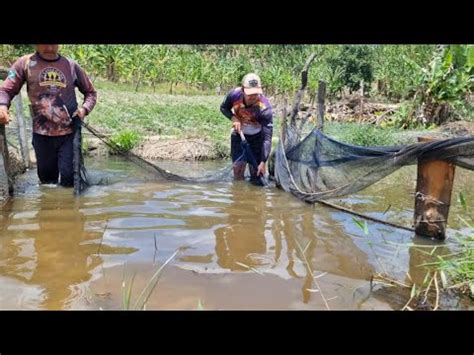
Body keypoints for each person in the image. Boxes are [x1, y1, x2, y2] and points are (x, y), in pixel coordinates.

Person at [0, 44, 97, 187]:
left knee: (69, 179)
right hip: (42, 134)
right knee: (47, 181)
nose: (50, 48)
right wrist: (2, 106)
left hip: (69, 133)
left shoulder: (71, 66)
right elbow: (6, 90)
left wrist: (84, 110)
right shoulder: (25, 64)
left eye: (54, 43)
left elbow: (91, 93)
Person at [220, 73, 273, 181]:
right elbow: (223, 108)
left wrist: (263, 162)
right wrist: (234, 118)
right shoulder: (234, 94)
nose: (253, 97)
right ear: (243, 89)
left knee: (257, 173)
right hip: (238, 135)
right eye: (249, 94)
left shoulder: (265, 109)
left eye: (255, 94)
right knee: (238, 171)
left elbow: (267, 138)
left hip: (257, 138)